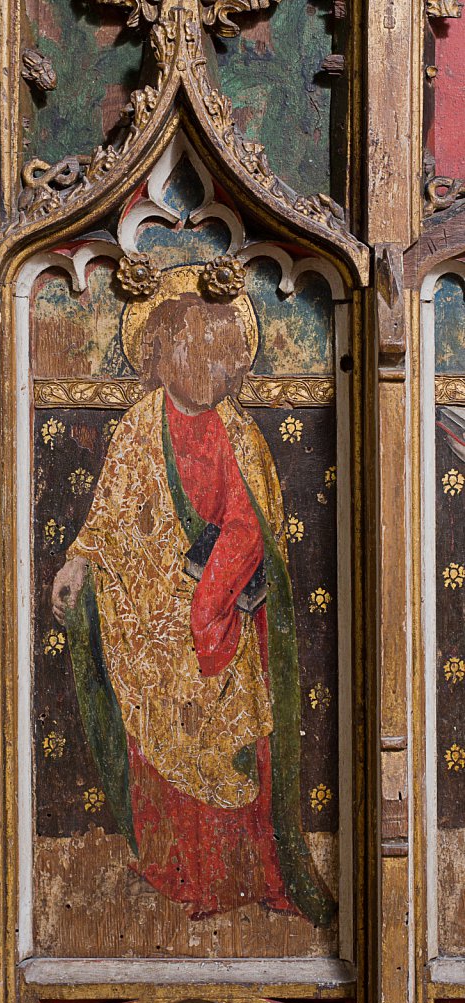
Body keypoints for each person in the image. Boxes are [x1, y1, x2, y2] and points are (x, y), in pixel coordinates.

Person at [51, 267, 335, 924]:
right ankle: (179, 872)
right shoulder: (136, 428)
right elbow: (109, 517)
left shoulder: (239, 432)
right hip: (150, 626)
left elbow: (250, 521)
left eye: (222, 357)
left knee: (231, 747)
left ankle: (243, 879)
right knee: (162, 744)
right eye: (195, 355)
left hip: (221, 621)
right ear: (160, 357)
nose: (212, 371)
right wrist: (76, 563)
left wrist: (208, 602)